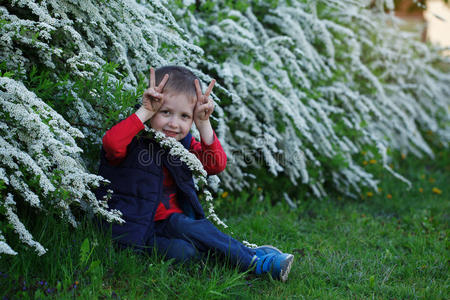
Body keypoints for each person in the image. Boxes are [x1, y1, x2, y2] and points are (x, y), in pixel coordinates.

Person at [95, 66, 294, 281]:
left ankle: (247, 258)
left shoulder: (184, 145)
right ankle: (255, 259)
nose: (174, 123)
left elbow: (215, 165)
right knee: (188, 240)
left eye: (184, 116)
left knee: (188, 243)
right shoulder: (133, 139)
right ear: (152, 109)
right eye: (165, 112)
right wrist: (144, 112)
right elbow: (112, 144)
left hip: (169, 224)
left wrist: (203, 122)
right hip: (131, 228)